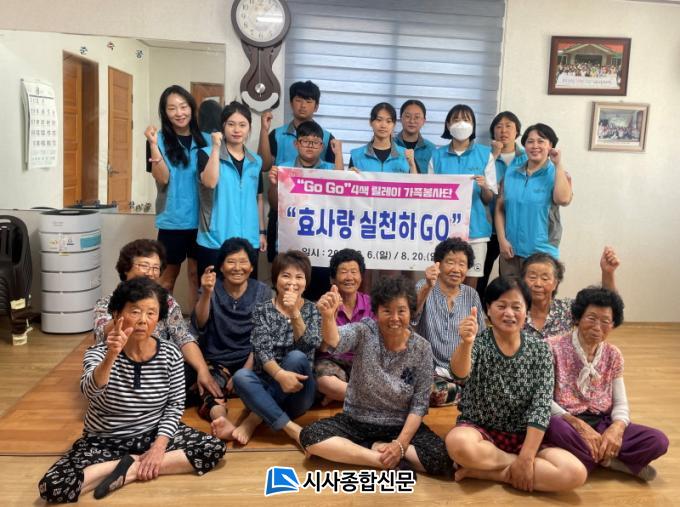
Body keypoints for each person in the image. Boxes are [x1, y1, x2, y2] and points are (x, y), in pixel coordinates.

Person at [39, 278, 225, 502]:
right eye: (135, 312)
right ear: (117, 314)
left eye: (151, 313)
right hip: (104, 441)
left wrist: (158, 447)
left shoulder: (171, 354)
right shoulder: (97, 353)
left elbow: (175, 405)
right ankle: (125, 464)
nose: (143, 320)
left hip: (152, 434)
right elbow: (89, 392)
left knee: (213, 448)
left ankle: (131, 469)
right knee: (53, 487)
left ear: (159, 318)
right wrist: (111, 355)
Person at [445, 276, 587, 492]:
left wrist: (527, 455)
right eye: (501, 306)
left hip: (524, 436)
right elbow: (459, 374)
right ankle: (514, 468)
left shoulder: (540, 350)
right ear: (488, 309)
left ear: (526, 311)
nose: (509, 313)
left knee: (575, 473)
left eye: (516, 307)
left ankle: (491, 472)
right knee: (458, 443)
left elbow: (541, 406)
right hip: (481, 431)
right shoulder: (479, 343)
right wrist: (466, 343)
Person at [300, 277, 452, 477]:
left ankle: (371, 447)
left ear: (411, 311)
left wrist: (400, 444)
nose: (394, 318)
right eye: (387, 311)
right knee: (310, 436)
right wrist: (328, 317)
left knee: (442, 459)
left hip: (399, 425)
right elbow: (335, 340)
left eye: (401, 311)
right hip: (356, 421)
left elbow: (419, 405)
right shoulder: (365, 331)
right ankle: (379, 460)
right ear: (376, 312)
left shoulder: (422, 348)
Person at [544, 287, 669, 481]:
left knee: (658, 441)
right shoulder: (551, 347)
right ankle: (612, 462)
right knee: (553, 427)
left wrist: (616, 428)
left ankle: (590, 459)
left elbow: (621, 403)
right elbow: (542, 398)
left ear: (613, 324)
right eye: (591, 318)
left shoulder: (613, 355)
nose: (597, 327)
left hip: (602, 421)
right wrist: (579, 425)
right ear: (577, 318)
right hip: (567, 421)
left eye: (605, 321)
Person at [93, 239, 221, 401]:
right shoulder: (107, 303)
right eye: (144, 266)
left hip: (157, 368)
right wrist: (125, 309)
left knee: (194, 369)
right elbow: (102, 335)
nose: (150, 273)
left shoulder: (166, 301)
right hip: (121, 370)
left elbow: (183, 337)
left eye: (155, 268)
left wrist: (203, 370)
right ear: (126, 268)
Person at [230, 250, 321, 445]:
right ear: (276, 278)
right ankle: (291, 428)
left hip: (299, 390)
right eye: (286, 275)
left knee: (296, 357)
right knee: (241, 377)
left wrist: (294, 312)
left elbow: (309, 347)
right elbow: (261, 351)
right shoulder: (262, 309)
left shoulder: (312, 309)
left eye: (299, 277)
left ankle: (254, 418)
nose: (292, 282)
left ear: (306, 282)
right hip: (266, 384)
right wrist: (280, 375)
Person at [190, 237, 271, 440]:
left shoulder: (263, 291)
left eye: (243, 262)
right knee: (208, 388)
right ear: (221, 266)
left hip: (251, 360)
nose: (237, 267)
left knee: (272, 385)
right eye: (231, 261)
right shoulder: (212, 287)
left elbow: (263, 336)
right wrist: (206, 293)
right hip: (218, 360)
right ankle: (221, 420)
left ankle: (250, 421)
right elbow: (200, 323)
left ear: (251, 267)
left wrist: (246, 370)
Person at [259, 80, 337, 263]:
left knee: (315, 263)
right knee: (280, 263)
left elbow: (336, 177)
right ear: (291, 102)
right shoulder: (277, 134)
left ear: (316, 106)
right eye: (299, 100)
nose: (303, 105)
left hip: (315, 213)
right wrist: (264, 130)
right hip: (282, 207)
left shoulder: (326, 138)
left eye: (309, 101)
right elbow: (264, 165)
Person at [145, 85, 208, 309]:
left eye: (183, 106)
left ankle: (196, 324)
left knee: (197, 278)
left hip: (202, 222)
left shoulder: (207, 141)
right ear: (165, 112)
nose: (179, 113)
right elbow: (162, 178)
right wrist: (153, 145)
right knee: (167, 279)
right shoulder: (157, 140)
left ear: (191, 108)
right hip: (172, 221)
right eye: (172, 108)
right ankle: (161, 323)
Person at [268, 120, 344, 300]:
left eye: (315, 142)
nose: (310, 146)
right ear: (296, 143)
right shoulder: (284, 168)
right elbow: (274, 204)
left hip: (320, 245)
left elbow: (340, 195)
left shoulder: (330, 169)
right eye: (305, 141)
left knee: (319, 296)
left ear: (322, 146)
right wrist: (274, 184)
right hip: (291, 243)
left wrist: (339, 154)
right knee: (289, 296)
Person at [196, 101, 266, 280]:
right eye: (231, 124)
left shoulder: (256, 161)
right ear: (223, 126)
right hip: (214, 240)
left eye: (242, 125)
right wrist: (216, 148)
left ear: (249, 128)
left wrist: (261, 232)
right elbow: (209, 182)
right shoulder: (205, 153)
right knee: (212, 291)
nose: (237, 130)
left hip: (248, 241)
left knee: (247, 292)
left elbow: (258, 197)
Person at [431, 104, 497, 290]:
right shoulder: (437, 155)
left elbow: (488, 198)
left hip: (476, 229)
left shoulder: (485, 154)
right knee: (444, 278)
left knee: (471, 281)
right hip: (444, 228)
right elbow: (431, 194)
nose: (461, 123)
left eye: (466, 119)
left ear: (473, 125)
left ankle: (468, 309)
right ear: (448, 124)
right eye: (456, 119)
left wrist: (484, 187)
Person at [413, 238, 486, 406]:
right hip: (432, 371)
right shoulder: (424, 286)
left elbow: (481, 338)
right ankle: (467, 395)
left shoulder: (471, 294)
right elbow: (411, 317)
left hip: (463, 369)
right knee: (433, 392)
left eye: (462, 264)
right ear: (438, 264)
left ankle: (461, 392)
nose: (456, 269)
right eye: (450, 262)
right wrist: (428, 287)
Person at [495, 123, 572, 277]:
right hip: (511, 253)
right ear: (524, 145)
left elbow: (563, 199)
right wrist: (502, 240)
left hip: (542, 255)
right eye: (530, 141)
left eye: (541, 141)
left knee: (538, 293)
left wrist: (558, 165)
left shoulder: (557, 173)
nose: (535, 146)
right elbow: (500, 207)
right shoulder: (512, 172)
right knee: (509, 292)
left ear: (550, 146)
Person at [477, 111, 527, 299]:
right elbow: (477, 182)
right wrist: (493, 155)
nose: (503, 130)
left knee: (510, 278)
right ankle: (479, 309)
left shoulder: (526, 157)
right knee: (481, 274)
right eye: (499, 126)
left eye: (508, 126)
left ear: (517, 131)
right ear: (493, 132)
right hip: (488, 226)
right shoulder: (484, 156)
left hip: (515, 228)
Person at [314, 248, 374, 405]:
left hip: (363, 363)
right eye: (343, 272)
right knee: (323, 380)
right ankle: (368, 400)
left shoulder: (372, 304)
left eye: (354, 272)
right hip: (332, 363)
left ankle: (340, 395)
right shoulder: (322, 305)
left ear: (361, 277)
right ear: (332, 279)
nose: (349, 277)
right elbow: (322, 348)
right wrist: (329, 316)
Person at [522, 246, 619, 341]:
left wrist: (608, 273)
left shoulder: (567, 308)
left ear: (555, 283)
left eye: (545, 278)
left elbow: (608, 305)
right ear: (523, 280)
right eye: (532, 277)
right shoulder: (516, 310)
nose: (538, 284)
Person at [349, 102, 416, 174]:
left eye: (388, 121)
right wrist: (349, 175)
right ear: (370, 122)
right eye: (379, 120)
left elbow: (415, 181)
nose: (383, 125)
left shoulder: (405, 154)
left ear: (394, 125)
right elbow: (349, 180)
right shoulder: (356, 155)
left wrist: (412, 165)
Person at [394, 99, 436, 174]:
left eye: (417, 117)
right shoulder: (391, 144)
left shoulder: (431, 149)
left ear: (424, 121)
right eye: (407, 116)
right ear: (401, 118)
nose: (412, 121)